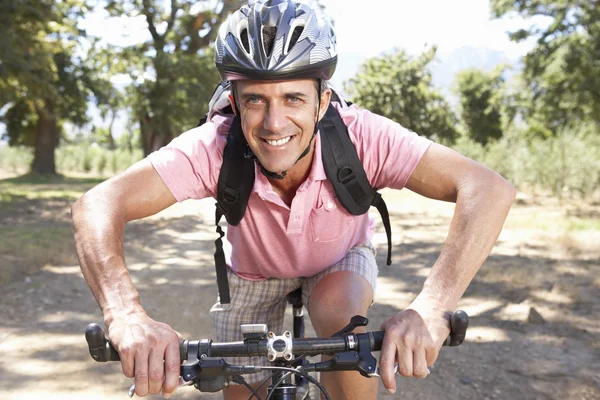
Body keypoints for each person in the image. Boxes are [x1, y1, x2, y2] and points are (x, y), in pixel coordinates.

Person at [72, 1, 516, 399]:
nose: (273, 121)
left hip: (337, 261)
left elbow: (487, 188)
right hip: (252, 273)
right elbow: (96, 205)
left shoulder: (362, 137)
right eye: (255, 101)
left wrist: (432, 307)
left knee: (340, 315)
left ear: (323, 101)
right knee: (246, 386)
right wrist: (125, 314)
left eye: (293, 97)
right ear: (234, 102)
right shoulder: (213, 146)